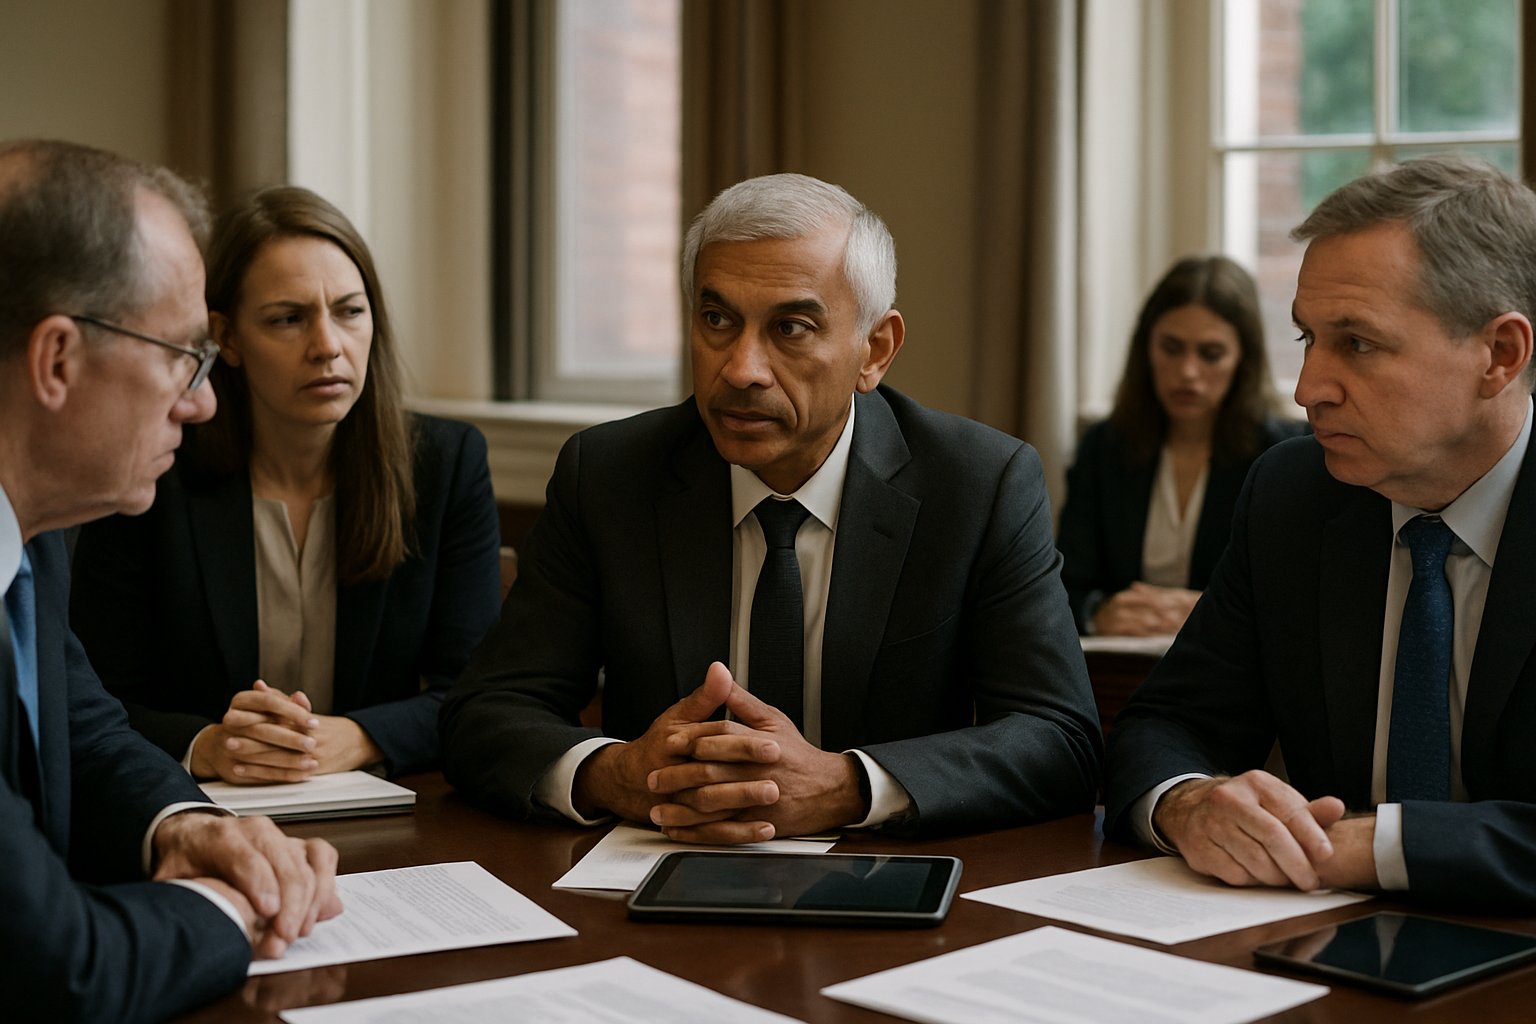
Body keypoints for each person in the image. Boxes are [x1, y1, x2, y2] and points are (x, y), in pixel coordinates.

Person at [441, 173, 1101, 843]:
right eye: (717, 320)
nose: (741, 369)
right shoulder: (610, 476)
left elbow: (1061, 737)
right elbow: (485, 714)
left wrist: (846, 786)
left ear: (874, 350)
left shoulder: (977, 485)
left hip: (886, 875)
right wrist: (617, 774)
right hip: (658, 861)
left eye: (791, 328)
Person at [1103, 154, 1536, 911]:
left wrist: (1380, 845)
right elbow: (1171, 721)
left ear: (1499, 355)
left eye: (1358, 344)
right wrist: (1189, 801)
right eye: (1308, 338)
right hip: (1314, 938)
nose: (1308, 390)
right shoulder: (1292, 496)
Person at [0, 139, 340, 1021]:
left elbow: (82, 733)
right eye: (182, 355)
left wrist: (187, 829)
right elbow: (57, 971)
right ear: (57, 360)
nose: (203, 401)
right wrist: (232, 908)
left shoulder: (36, 534)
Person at [70, 186, 502, 783]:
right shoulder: (155, 472)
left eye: (349, 312)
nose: (327, 346)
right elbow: (94, 695)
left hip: (384, 804)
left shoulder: (446, 463)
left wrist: (358, 737)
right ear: (227, 338)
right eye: (288, 319)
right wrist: (205, 745)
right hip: (196, 799)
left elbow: (477, 694)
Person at [1057, 256, 1302, 636]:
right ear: (1146, 349)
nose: (1187, 372)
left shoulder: (1284, 457)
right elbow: (1061, 588)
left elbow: (1293, 599)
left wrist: (1214, 611)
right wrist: (1098, 613)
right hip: (1118, 661)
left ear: (1243, 359)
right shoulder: (1104, 448)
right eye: (1171, 348)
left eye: (1211, 354)